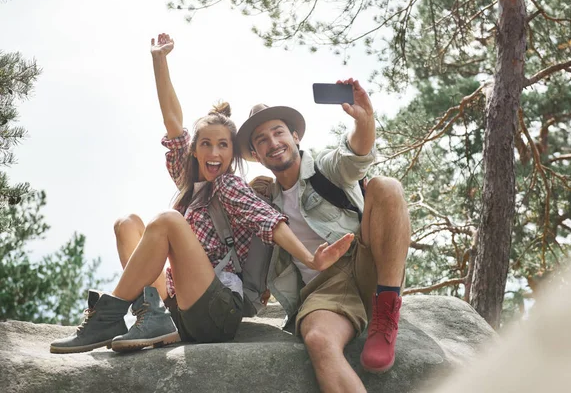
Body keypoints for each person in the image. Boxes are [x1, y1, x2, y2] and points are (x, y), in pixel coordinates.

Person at [49, 34, 353, 354]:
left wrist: (310, 259)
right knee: (128, 224)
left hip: (218, 312)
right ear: (194, 151)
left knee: (167, 221)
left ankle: (106, 318)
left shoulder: (229, 186)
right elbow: (173, 123)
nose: (214, 152)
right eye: (206, 143)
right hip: (181, 309)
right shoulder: (190, 189)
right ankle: (151, 315)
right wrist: (159, 59)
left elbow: (272, 222)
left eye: (223, 145)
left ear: (232, 154)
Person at [238, 82, 411, 392]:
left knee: (386, 187)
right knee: (318, 340)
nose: (273, 142)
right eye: (262, 140)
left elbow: (356, 152)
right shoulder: (262, 205)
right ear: (256, 155)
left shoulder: (324, 168)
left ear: (295, 136)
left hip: (363, 262)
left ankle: (386, 312)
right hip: (323, 289)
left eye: (278, 132)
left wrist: (364, 119)